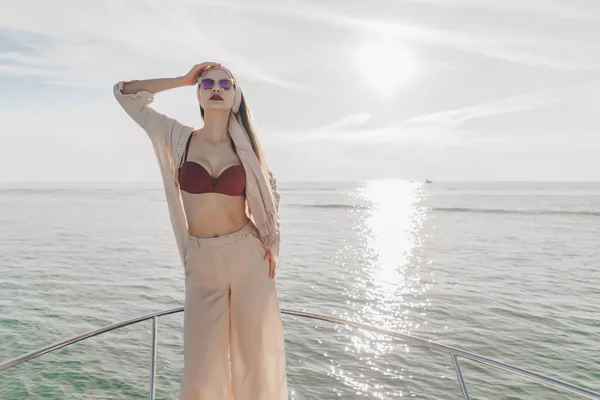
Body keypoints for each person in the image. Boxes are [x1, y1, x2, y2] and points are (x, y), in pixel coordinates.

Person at [113, 62, 289, 400]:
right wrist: (182, 78)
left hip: (248, 258)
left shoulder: (247, 151)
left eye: (225, 83)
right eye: (207, 83)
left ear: (236, 95)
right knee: (200, 370)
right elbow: (124, 93)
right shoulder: (177, 137)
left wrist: (269, 240)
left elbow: (271, 192)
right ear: (198, 93)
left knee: (256, 363)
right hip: (202, 264)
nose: (216, 88)